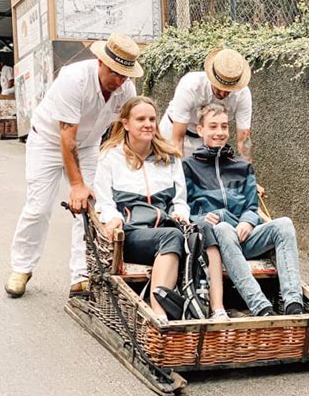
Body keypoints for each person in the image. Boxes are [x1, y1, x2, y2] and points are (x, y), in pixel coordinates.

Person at [5, 32, 140, 299]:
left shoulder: (126, 89)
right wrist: (77, 184)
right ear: (100, 62)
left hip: (89, 147)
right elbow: (67, 138)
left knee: (89, 209)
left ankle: (81, 275)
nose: (120, 80)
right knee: (38, 207)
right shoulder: (73, 79)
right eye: (115, 73)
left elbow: (118, 132)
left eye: (125, 74)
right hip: (48, 142)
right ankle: (21, 267)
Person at [94, 96, 227, 324]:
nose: (148, 124)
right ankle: (158, 313)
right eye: (141, 119)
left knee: (204, 228)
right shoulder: (110, 157)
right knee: (172, 236)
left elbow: (180, 200)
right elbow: (104, 202)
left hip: (167, 226)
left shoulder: (169, 157)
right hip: (133, 234)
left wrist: (181, 213)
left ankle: (218, 309)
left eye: (152, 119)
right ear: (126, 123)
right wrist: (113, 218)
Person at [182, 103, 304, 317]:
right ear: (200, 130)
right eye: (212, 127)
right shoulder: (188, 167)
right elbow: (183, 208)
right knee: (223, 229)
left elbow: (251, 205)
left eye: (223, 127)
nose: (219, 132)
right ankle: (261, 307)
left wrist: (248, 221)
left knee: (284, 224)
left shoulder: (242, 166)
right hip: (212, 242)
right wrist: (202, 218)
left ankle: (294, 303)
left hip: (243, 235)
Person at [160, 47, 253, 160]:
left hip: (205, 139)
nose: (223, 93)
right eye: (219, 87)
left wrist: (248, 170)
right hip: (174, 132)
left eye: (229, 89)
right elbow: (177, 139)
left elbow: (243, 139)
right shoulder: (190, 85)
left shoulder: (242, 94)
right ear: (211, 78)